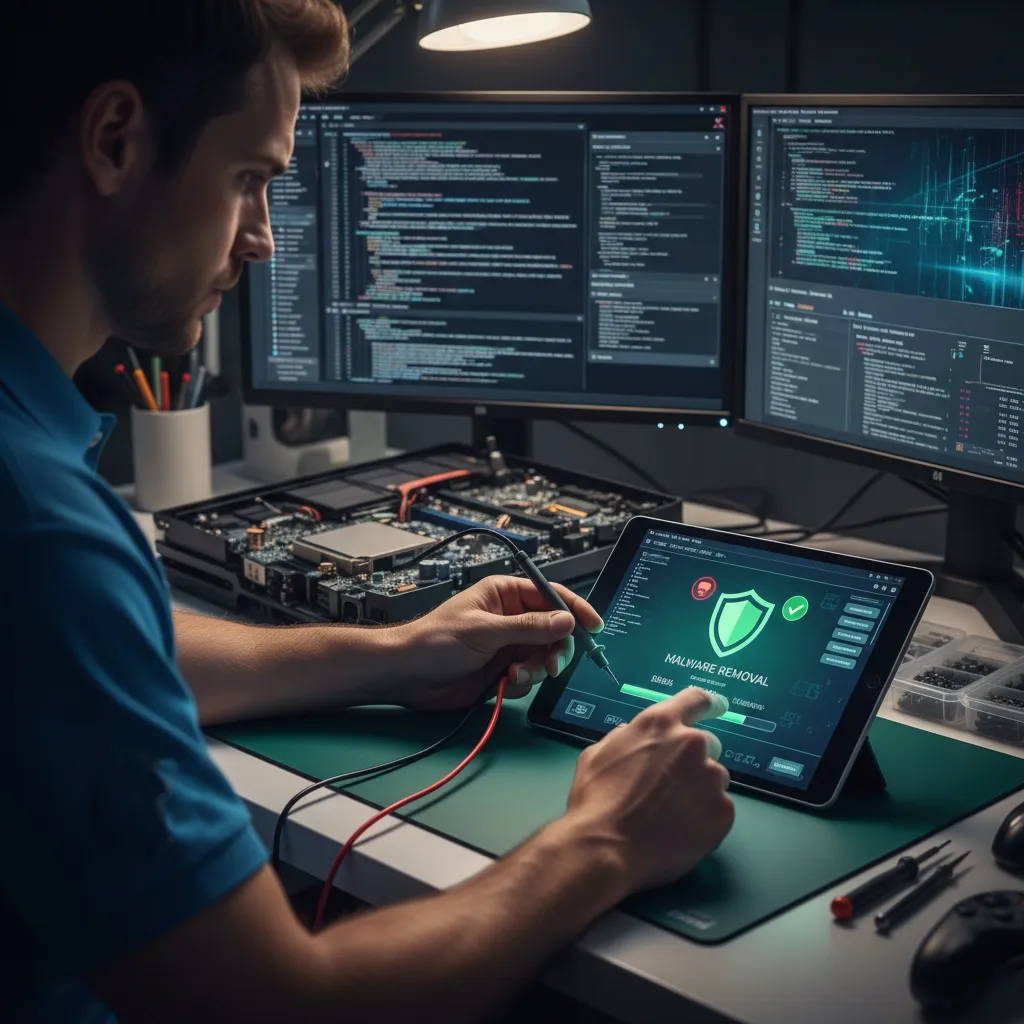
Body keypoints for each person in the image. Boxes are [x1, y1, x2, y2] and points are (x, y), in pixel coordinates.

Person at [0, 3, 735, 1021]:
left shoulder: (29, 470)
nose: (261, 238)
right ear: (115, 139)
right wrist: (604, 839)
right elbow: (282, 1003)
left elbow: (99, 659)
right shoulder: (39, 529)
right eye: (249, 179)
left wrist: (400, 652)